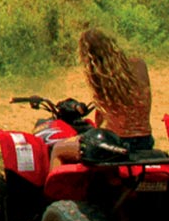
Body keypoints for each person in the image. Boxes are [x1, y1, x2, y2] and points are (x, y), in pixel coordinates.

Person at [52, 27, 153, 163]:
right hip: (145, 139)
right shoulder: (140, 64)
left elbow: (101, 115)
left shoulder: (99, 77)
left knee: (58, 149)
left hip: (118, 141)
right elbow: (144, 99)